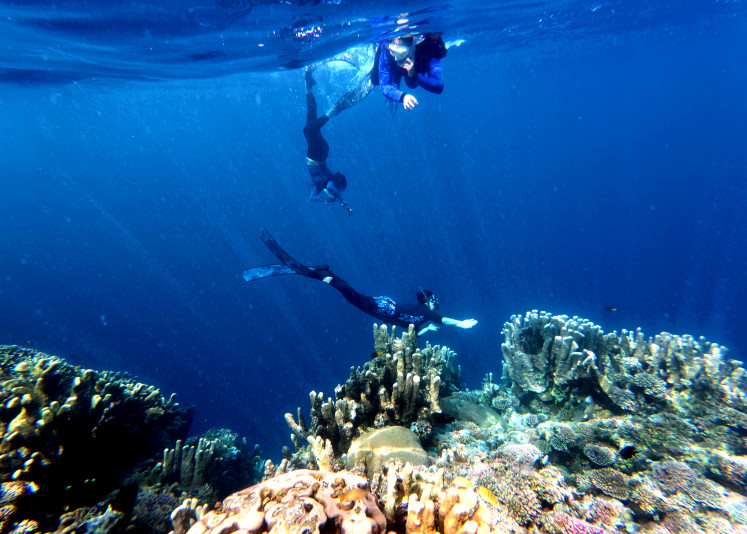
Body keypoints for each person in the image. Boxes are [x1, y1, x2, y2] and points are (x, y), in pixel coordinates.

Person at [244, 228, 478, 336]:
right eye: (435, 299)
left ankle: (324, 272)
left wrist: (428, 329)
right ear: (428, 300)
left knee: (349, 293)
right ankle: (318, 274)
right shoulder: (423, 311)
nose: (437, 303)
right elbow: (440, 318)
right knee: (348, 292)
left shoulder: (421, 318)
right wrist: (461, 323)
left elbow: (413, 333)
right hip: (381, 307)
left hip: (383, 308)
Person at [303, 68, 351, 214]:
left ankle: (307, 83)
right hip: (317, 155)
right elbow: (330, 188)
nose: (337, 190)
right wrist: (340, 199)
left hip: (318, 154)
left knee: (311, 112)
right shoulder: (327, 183)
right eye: (339, 188)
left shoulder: (321, 185)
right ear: (338, 185)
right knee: (309, 129)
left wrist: (327, 200)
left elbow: (311, 198)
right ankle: (331, 111)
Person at [378, 33, 447, 111]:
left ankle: (399, 78)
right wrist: (402, 96)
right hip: (392, 64)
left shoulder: (427, 46)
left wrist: (415, 76)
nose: (396, 59)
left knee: (412, 84)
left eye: (401, 54)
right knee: (375, 79)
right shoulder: (386, 45)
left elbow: (439, 85)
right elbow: (384, 85)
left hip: (414, 65)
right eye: (393, 52)